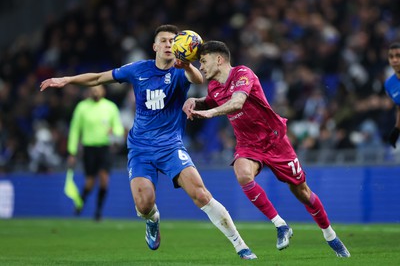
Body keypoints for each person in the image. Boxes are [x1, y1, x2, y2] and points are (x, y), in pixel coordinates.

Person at [40, 25, 256, 260]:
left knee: (201, 194)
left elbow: (197, 78)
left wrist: (187, 65)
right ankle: (152, 220)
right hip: (140, 148)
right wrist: (67, 79)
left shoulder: (180, 71)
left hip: (171, 146)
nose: (167, 44)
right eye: (163, 41)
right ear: (154, 46)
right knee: (144, 204)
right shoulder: (138, 70)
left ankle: (240, 245)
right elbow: (99, 77)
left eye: (172, 41)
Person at [183, 40, 351, 258]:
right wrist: (196, 101)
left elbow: (237, 103)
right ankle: (281, 225)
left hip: (275, 140)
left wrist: (210, 113)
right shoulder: (214, 85)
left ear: (219, 59)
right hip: (248, 144)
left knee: (302, 191)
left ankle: (330, 235)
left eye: (203, 62)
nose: (201, 68)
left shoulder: (243, 74)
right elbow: (212, 100)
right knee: (243, 175)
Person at [67, 85, 125, 221]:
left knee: (104, 179)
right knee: (90, 182)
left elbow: (118, 127)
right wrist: (72, 152)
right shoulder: (82, 107)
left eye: (98, 89)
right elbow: (75, 130)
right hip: (89, 148)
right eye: (93, 89)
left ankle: (98, 212)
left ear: (103, 91)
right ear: (89, 92)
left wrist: (115, 132)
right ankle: (81, 201)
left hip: (105, 148)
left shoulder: (110, 107)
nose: (95, 91)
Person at [385, 42, 400, 148]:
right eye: (391, 57)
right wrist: (397, 128)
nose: (394, 60)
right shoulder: (389, 84)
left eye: (398, 56)